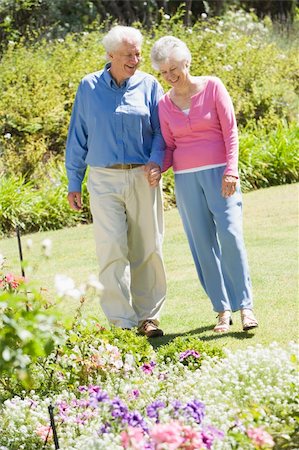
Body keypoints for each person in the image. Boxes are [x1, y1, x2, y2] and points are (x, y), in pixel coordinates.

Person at [151, 36, 258, 332]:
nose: (171, 76)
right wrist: (158, 168)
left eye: (174, 68)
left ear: (187, 61)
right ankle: (222, 310)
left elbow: (231, 133)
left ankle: (246, 306)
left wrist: (231, 171)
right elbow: (170, 147)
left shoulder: (212, 86)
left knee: (231, 236)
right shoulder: (163, 104)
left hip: (220, 175)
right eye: (164, 72)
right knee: (202, 245)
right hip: (185, 180)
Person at [65, 26, 166, 337]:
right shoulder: (89, 86)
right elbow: (78, 135)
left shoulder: (150, 85)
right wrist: (74, 180)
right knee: (111, 249)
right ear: (110, 56)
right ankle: (121, 321)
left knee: (148, 247)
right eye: (128, 55)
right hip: (103, 178)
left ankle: (148, 317)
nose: (135, 59)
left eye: (137, 53)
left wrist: (156, 162)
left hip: (142, 176)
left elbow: (162, 132)